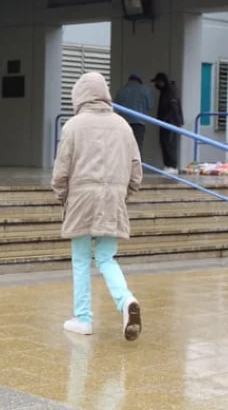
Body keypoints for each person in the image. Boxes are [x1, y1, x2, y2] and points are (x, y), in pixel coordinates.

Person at [52, 72, 142, 341]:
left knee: (81, 260)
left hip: (81, 199)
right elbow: (136, 172)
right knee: (106, 258)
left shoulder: (73, 126)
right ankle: (126, 300)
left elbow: (61, 172)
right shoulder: (123, 126)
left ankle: (83, 318)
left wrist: (64, 197)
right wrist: (122, 195)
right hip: (113, 200)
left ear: (79, 96)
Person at [151, 72, 184, 174]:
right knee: (164, 143)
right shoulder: (165, 91)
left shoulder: (171, 91)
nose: (156, 85)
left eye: (157, 82)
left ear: (162, 81)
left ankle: (172, 166)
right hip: (165, 122)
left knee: (170, 144)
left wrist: (167, 120)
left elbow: (174, 109)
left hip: (171, 123)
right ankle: (168, 165)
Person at [113, 74, 154, 152]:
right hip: (139, 123)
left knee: (124, 147)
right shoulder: (145, 90)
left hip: (124, 123)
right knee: (138, 147)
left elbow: (115, 107)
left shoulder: (122, 90)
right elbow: (150, 106)